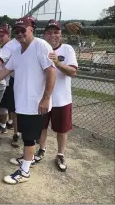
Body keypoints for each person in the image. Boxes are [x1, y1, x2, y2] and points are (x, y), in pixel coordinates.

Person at [0, 17, 56, 184]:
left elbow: (51, 72)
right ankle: (27, 159)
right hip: (23, 101)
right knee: (26, 134)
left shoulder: (41, 46)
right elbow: (4, 71)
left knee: (29, 137)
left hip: (35, 103)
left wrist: (46, 98)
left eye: (23, 30)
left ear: (32, 29)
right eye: (17, 31)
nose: (20, 33)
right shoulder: (18, 50)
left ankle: (25, 171)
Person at [34, 19, 78, 172]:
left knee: (62, 129)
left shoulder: (67, 49)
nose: (53, 35)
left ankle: (60, 154)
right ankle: (42, 149)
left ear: (61, 34)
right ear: (44, 34)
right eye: (49, 32)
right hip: (44, 97)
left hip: (62, 99)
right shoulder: (40, 48)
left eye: (56, 32)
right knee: (42, 127)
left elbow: (73, 72)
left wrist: (57, 63)